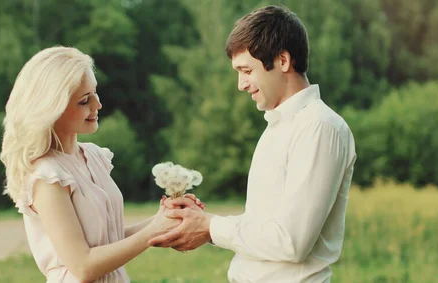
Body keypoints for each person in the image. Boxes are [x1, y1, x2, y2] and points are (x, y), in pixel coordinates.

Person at [149, 5, 357, 283]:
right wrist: (202, 222)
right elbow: (266, 226)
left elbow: (291, 242)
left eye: (246, 70)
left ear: (282, 60)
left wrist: (210, 226)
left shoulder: (319, 127)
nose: (240, 84)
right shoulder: (278, 125)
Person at [0, 46, 203, 283]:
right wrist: (153, 230)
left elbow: (108, 242)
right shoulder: (47, 176)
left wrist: (164, 218)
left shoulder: (95, 157)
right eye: (84, 100)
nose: (97, 105)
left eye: (95, 93)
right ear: (52, 107)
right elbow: (83, 267)